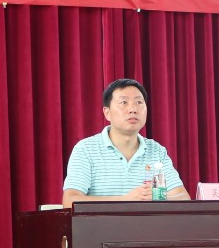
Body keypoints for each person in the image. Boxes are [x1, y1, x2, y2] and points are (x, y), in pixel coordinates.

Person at [62, 79, 190, 205]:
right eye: (124, 102)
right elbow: (70, 201)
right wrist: (125, 200)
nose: (133, 109)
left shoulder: (157, 151)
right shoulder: (85, 149)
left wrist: (159, 198)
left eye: (139, 102)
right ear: (107, 113)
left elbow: (183, 197)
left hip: (147, 220)